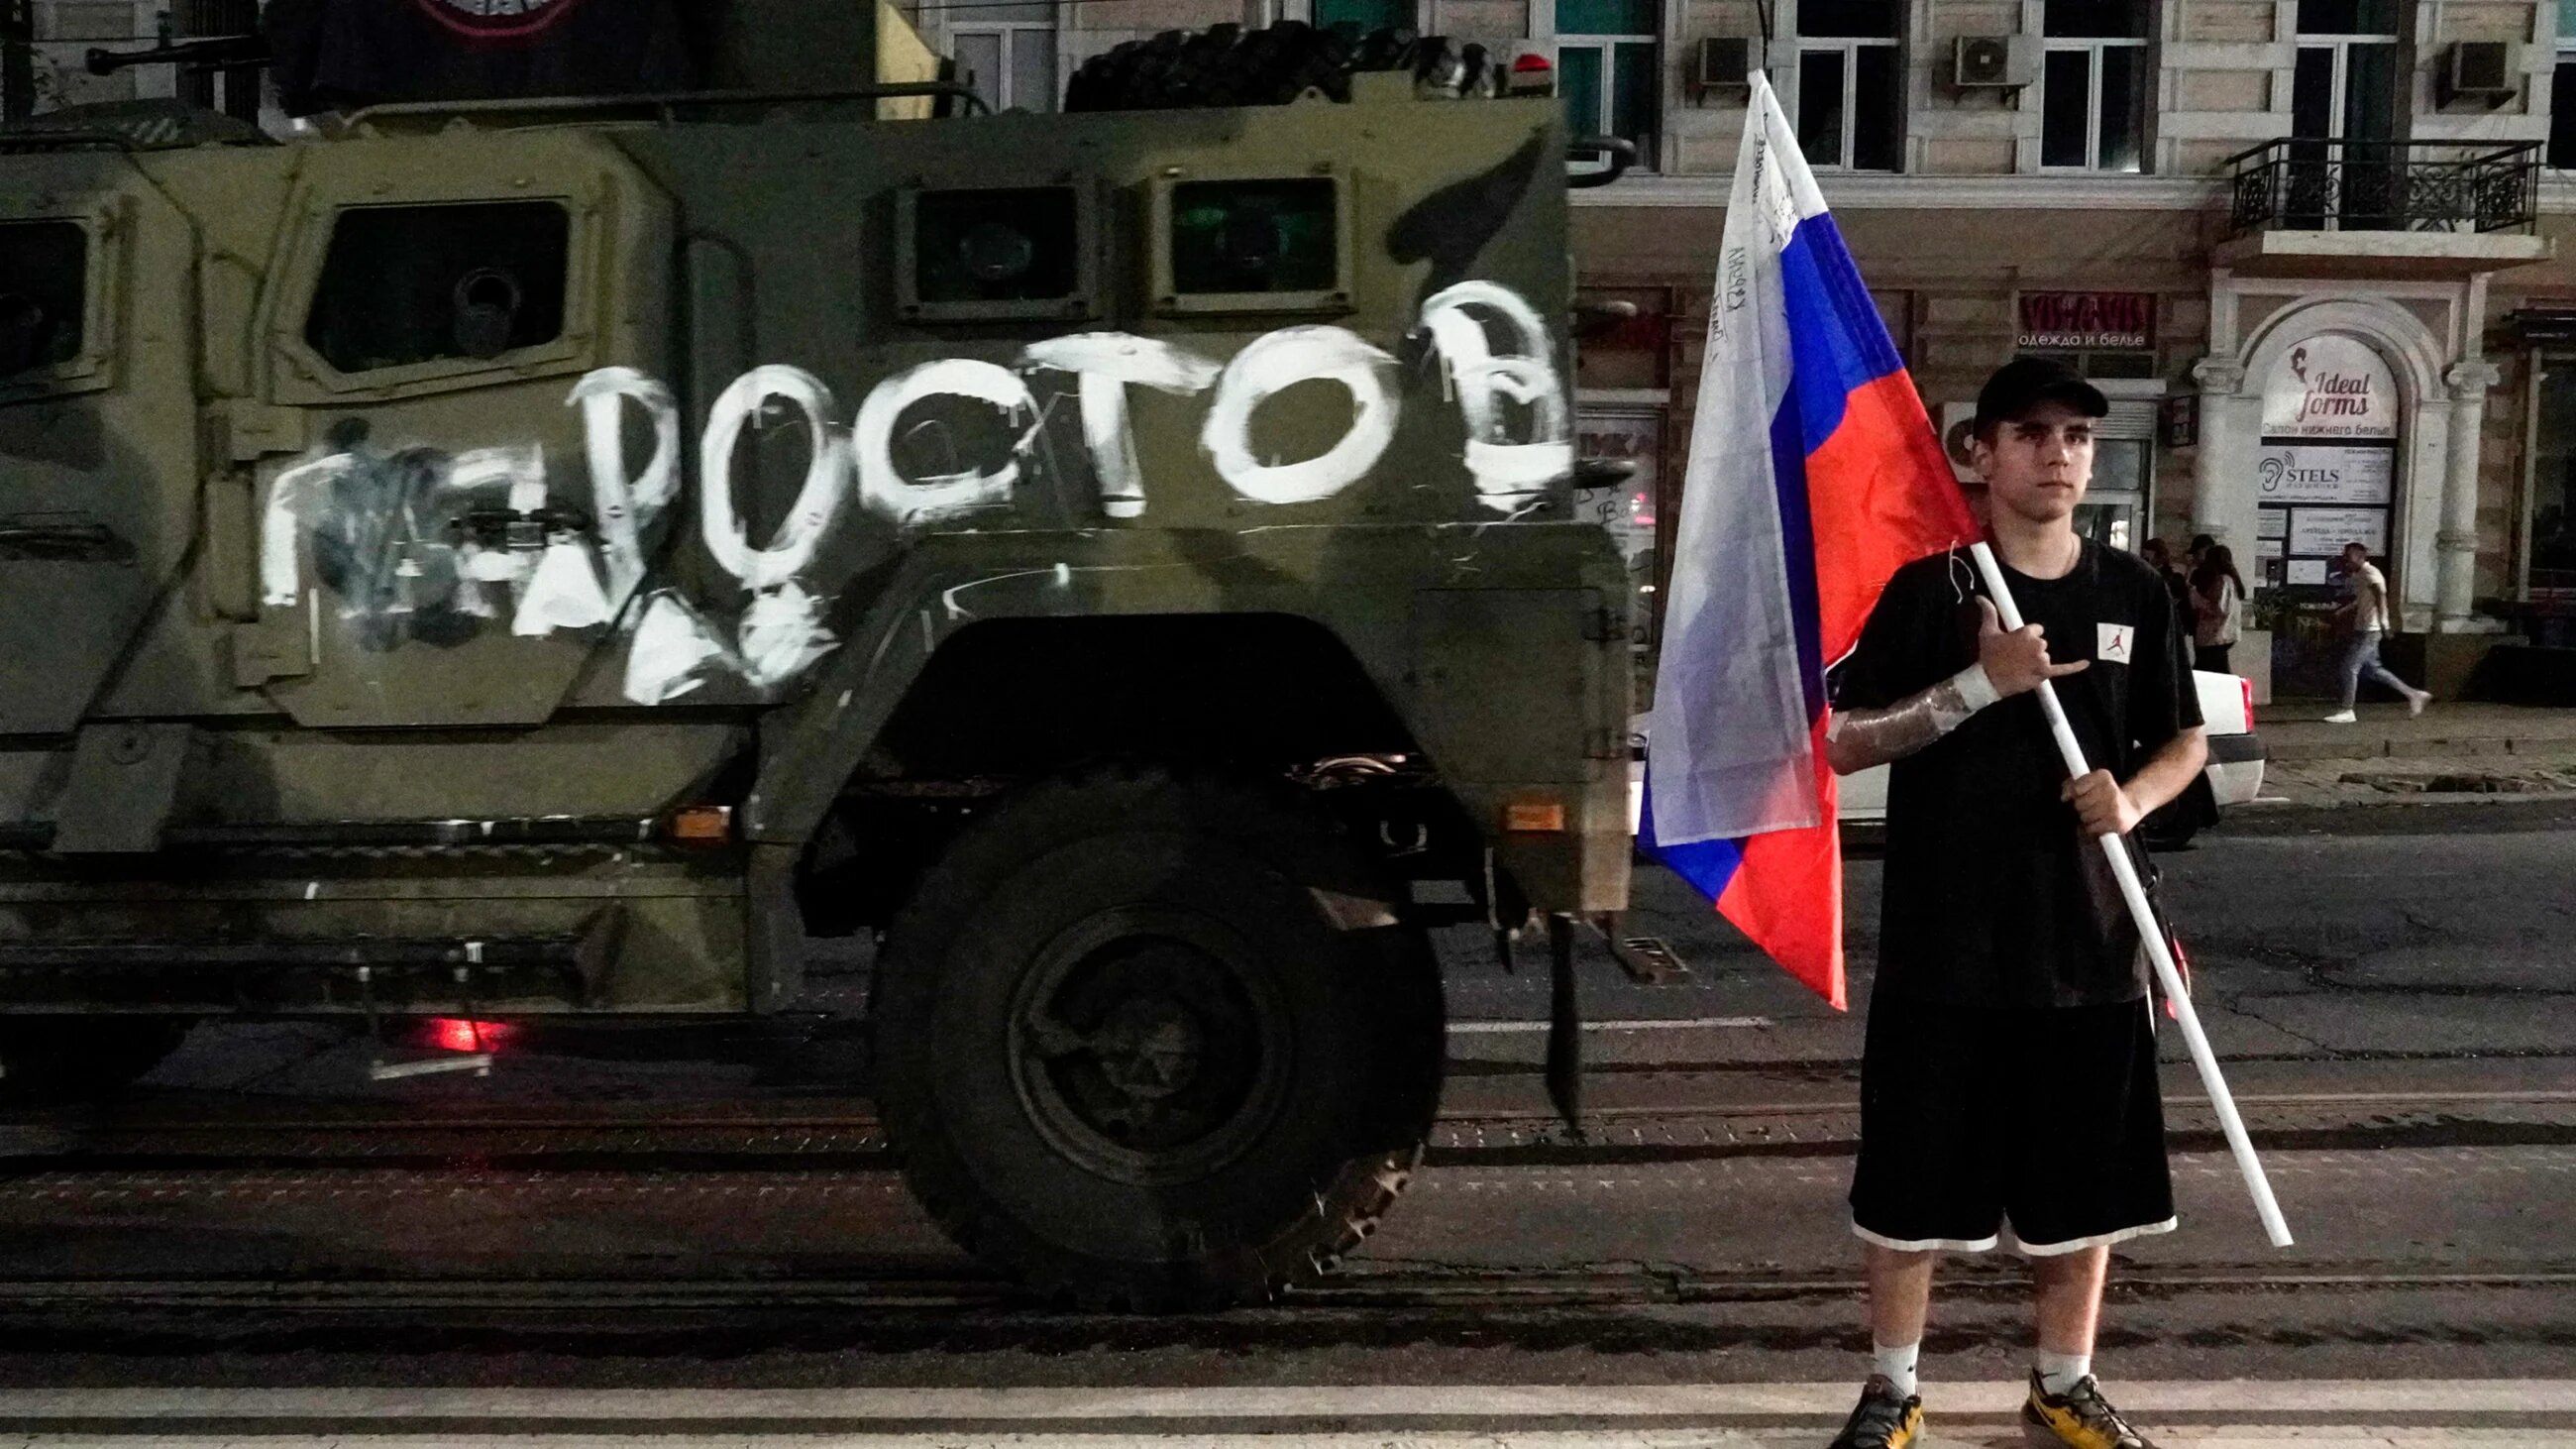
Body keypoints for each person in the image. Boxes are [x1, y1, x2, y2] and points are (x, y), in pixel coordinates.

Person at [1820, 356, 2207, 1449]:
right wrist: (1979, 683)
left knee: (2084, 1191)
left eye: (2076, 436)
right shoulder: (1932, 588)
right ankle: (1892, 1388)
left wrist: (2130, 798)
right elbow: (1845, 741)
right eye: (2031, 433)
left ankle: (2062, 1384)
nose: (2057, 455)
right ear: (1979, 453)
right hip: (1945, 945)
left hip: (2091, 945)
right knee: (1910, 1185)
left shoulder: (2133, 591)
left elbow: (2185, 739)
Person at [2323, 541, 2429, 723]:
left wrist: (2385, 624)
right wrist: (2342, 611)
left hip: (2370, 630)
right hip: (2364, 628)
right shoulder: (2360, 574)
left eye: (2348, 556)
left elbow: (2381, 597)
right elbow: (2363, 600)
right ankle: (2414, 694)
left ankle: (2347, 710)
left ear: (2359, 557)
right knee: (2374, 670)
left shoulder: (2370, 572)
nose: (2345, 560)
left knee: (2349, 668)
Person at [2189, 543, 2245, 675]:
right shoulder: (2231, 580)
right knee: (2216, 670)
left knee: (2209, 671)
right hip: (2221, 635)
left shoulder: (2223, 580)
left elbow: (2220, 609)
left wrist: (2197, 598)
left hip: (2216, 635)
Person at [2139, 537, 2190, 625]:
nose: (2144, 563)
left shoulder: (2172, 580)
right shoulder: (2145, 577)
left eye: (2146, 559)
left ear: (2159, 558)